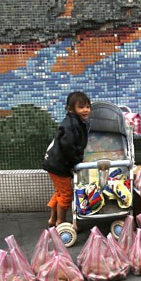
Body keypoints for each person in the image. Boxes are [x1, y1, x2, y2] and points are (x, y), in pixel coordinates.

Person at [42, 91, 91, 227]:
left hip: (54, 163)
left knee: (59, 192)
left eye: (87, 106)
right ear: (71, 109)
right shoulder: (71, 124)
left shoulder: (74, 122)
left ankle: (53, 219)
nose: (86, 110)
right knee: (66, 194)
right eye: (81, 107)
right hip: (58, 165)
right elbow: (67, 145)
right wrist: (76, 161)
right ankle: (61, 222)